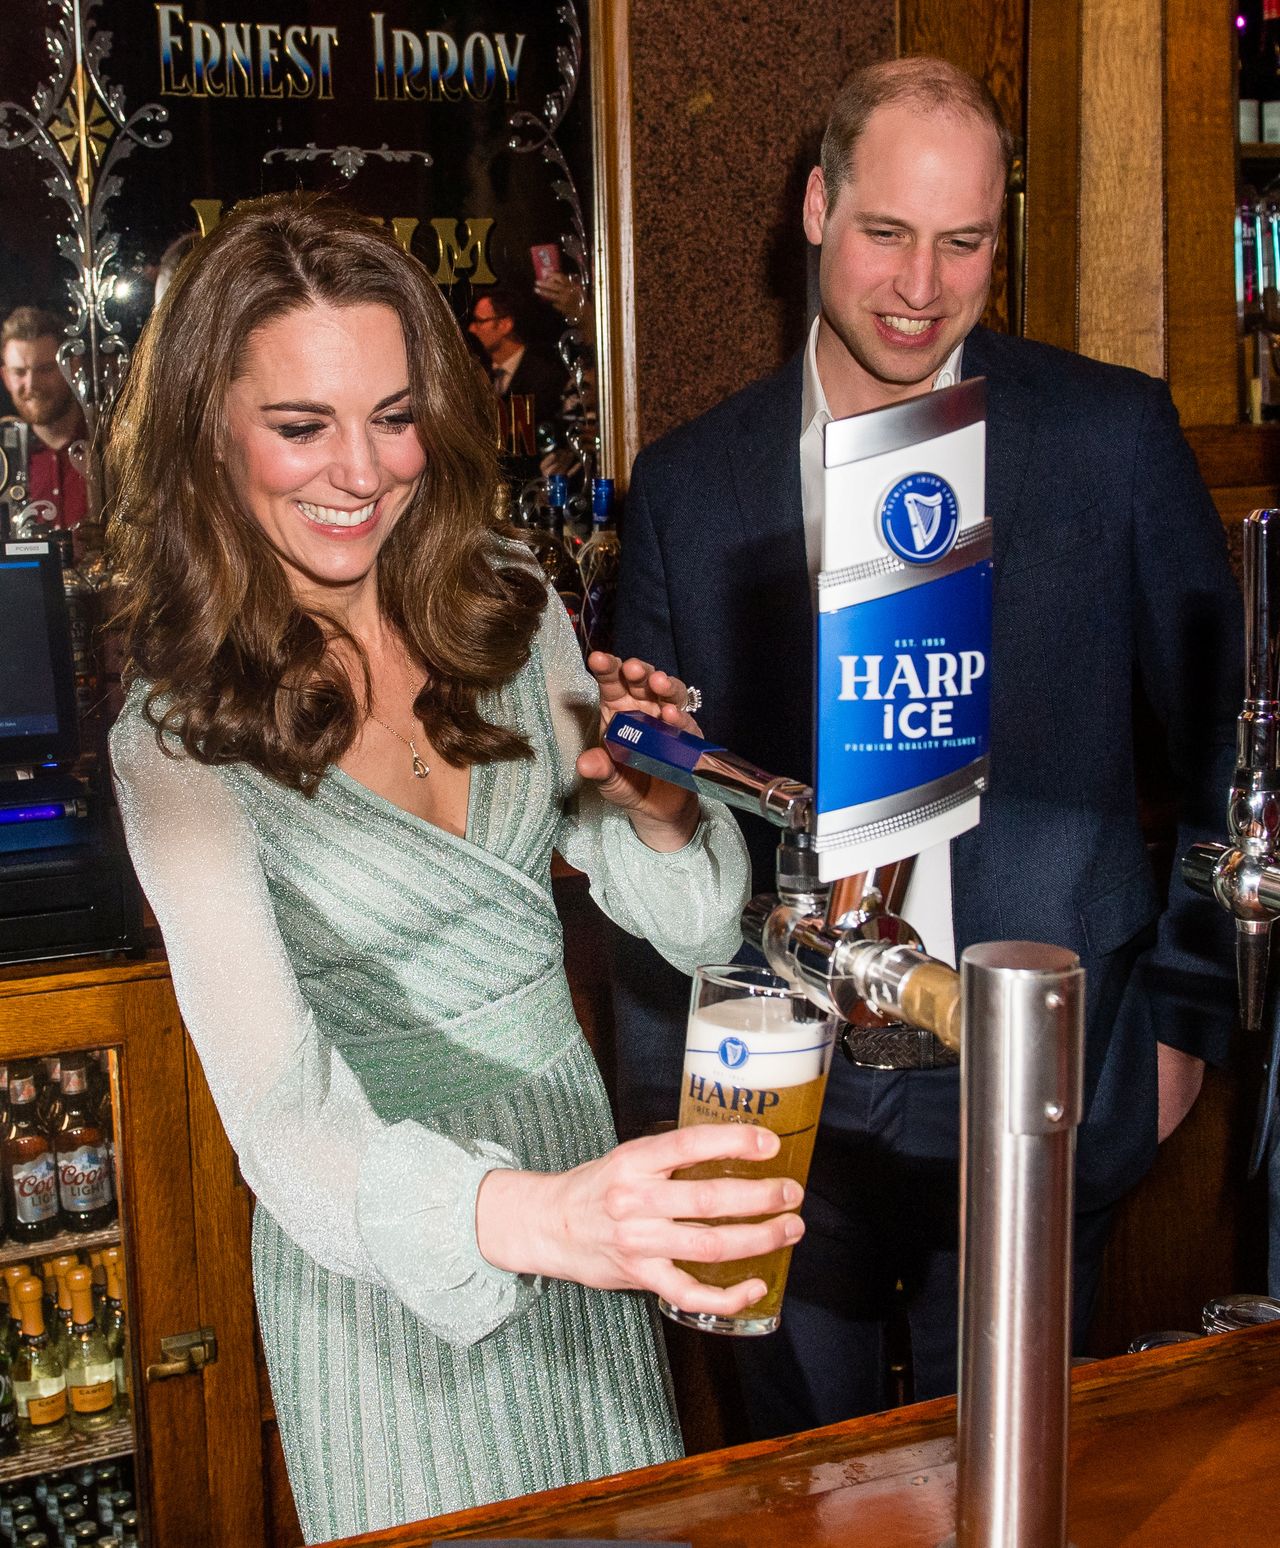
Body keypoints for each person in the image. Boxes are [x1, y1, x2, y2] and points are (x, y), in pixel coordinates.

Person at [105, 193, 805, 1541]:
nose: (359, 473)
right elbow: (286, 1123)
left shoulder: (512, 608)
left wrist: (657, 809)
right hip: (388, 1247)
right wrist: (548, 1222)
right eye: (300, 426)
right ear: (210, 433)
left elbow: (698, 921)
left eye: (392, 414)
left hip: (574, 1166)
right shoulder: (176, 742)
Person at [613, 56, 1243, 1437]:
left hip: (1038, 1073)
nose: (922, 284)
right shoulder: (690, 483)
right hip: (792, 1100)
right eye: (888, 232)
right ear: (818, 207)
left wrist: (1185, 1028)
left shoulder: (1110, 436)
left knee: (1011, 1477)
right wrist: (671, 1094)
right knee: (804, 1484)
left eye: (966, 243)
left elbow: (1232, 747)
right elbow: (651, 815)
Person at [0, 306, 88, 531]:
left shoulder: (110, 445)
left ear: (73, 367)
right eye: (19, 372)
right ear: (6, 378)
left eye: (46, 369)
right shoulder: (4, 461)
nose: (32, 385)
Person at [468, 286, 568, 430]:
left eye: (479, 321)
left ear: (505, 325)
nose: (472, 328)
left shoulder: (544, 376)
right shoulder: (478, 373)